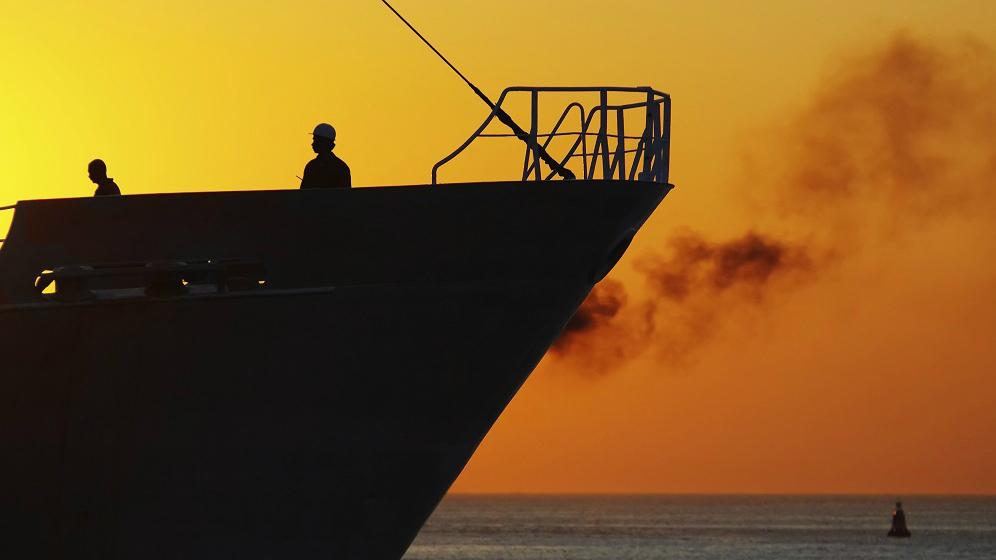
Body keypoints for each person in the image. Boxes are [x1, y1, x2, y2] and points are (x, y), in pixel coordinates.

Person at [301, 123, 351, 189]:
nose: (312, 144)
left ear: (325, 143)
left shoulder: (312, 166)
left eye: (316, 140)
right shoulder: (341, 166)